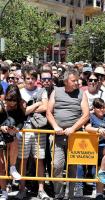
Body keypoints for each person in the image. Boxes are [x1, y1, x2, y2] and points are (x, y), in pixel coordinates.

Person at [46, 69, 89, 199]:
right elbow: (49, 112)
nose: (77, 82)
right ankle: (58, 194)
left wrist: (73, 128)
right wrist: (55, 126)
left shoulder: (82, 94)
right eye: (74, 80)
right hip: (58, 135)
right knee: (57, 165)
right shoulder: (56, 92)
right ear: (65, 81)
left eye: (77, 80)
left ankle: (70, 195)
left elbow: (86, 115)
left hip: (74, 136)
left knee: (72, 167)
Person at [16, 68, 50, 200]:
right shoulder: (19, 91)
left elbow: (45, 107)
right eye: (28, 78)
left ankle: (41, 190)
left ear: (36, 80)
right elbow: (21, 111)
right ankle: (21, 189)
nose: (30, 81)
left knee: (39, 159)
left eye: (33, 78)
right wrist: (37, 104)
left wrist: (28, 108)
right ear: (24, 79)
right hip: (23, 129)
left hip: (38, 128)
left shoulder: (42, 90)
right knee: (22, 160)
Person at [85, 98, 105, 200]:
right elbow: (87, 128)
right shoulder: (90, 116)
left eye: (103, 107)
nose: (102, 110)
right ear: (94, 108)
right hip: (89, 146)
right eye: (99, 108)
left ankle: (99, 192)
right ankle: (77, 189)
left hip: (102, 145)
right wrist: (98, 130)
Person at [0, 85, 25, 200]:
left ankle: (13, 167)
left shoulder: (19, 107)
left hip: (11, 136)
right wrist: (1, 128)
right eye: (9, 99)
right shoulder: (0, 105)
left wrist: (17, 129)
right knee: (1, 166)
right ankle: (4, 191)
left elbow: (21, 121)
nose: (11, 103)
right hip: (0, 135)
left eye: (14, 100)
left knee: (15, 139)